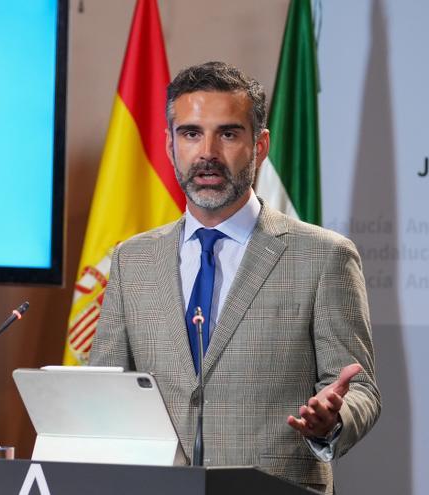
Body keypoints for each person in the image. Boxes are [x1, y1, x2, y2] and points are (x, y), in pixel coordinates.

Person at [89, 61, 380, 494]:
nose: (207, 152)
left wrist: (332, 419)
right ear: (170, 146)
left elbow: (359, 388)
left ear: (259, 146)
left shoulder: (324, 256)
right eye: (190, 134)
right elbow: (105, 387)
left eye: (228, 134)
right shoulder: (134, 259)